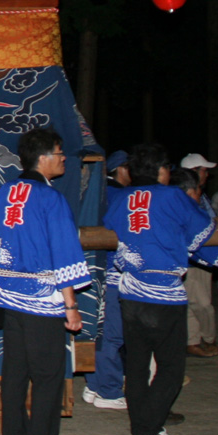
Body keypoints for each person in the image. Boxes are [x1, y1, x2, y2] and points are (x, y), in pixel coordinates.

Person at [0, 128, 88, 435]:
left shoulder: (6, 191)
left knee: (15, 374)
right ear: (44, 158)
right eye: (59, 151)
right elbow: (64, 253)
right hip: (41, 302)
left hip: (10, 297)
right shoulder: (50, 199)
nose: (63, 157)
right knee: (48, 377)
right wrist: (70, 306)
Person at [104, 143, 218, 435]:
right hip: (163, 294)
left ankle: (141, 424)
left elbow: (112, 235)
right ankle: (147, 427)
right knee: (171, 367)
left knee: (137, 365)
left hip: (129, 292)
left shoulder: (121, 199)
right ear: (160, 171)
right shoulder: (173, 197)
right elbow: (201, 233)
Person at [83, 148, 130, 411]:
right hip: (114, 273)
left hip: (92, 271)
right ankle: (110, 391)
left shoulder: (97, 193)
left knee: (96, 330)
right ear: (121, 169)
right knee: (112, 335)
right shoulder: (123, 196)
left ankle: (94, 383)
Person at [180, 152, 218, 358]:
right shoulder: (188, 196)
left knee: (195, 301)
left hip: (197, 257)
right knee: (200, 302)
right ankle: (206, 338)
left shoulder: (200, 195)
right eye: (204, 170)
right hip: (196, 257)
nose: (207, 174)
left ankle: (193, 340)